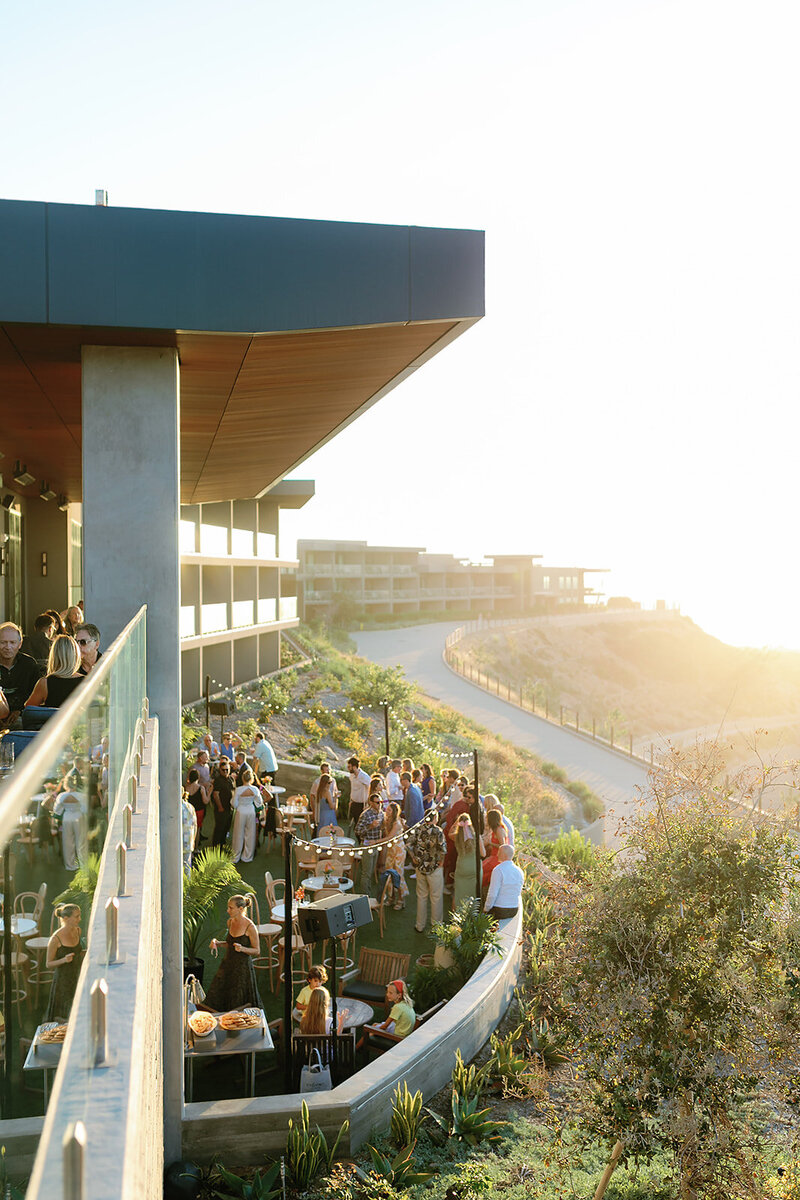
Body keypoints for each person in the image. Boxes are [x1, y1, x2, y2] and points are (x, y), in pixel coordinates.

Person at [203, 895, 260, 1011]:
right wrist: (218, 943)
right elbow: (231, 944)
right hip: (227, 964)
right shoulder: (230, 922)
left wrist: (243, 949)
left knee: (238, 1000)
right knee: (217, 995)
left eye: (231, 908)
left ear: (240, 909)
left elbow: (257, 950)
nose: (227, 911)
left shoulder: (250, 927)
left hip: (242, 969)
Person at [406, 808, 446, 932]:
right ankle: (436, 926)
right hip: (434, 868)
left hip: (420, 867)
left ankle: (419, 925)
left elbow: (408, 844)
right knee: (436, 897)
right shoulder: (438, 831)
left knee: (421, 897)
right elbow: (443, 849)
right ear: (435, 818)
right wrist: (441, 862)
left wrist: (413, 857)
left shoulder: (418, 829)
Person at [45, 904, 85, 1021]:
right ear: (66, 919)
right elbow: (48, 964)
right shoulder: (55, 939)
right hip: (63, 981)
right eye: (76, 917)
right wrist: (64, 960)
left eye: (79, 916)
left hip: (77, 975)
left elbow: (78, 951)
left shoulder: (78, 930)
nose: (80, 919)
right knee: (63, 1016)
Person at [25, 634, 84, 708]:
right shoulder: (87, 681)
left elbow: (29, 709)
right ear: (75, 655)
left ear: (53, 655)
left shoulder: (44, 683)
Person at [0, 622, 41, 725]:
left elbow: (38, 697)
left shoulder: (29, 665)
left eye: (12, 642)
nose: (8, 647)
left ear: (20, 644)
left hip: (22, 718)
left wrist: (21, 711)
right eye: (3, 642)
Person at [449, 811, 484, 909]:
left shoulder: (456, 836)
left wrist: (457, 822)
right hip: (474, 868)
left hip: (461, 868)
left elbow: (449, 832)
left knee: (458, 894)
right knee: (473, 894)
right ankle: (472, 916)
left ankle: (455, 917)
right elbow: (483, 853)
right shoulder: (477, 836)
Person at [380, 801, 409, 909]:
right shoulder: (387, 821)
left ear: (393, 812)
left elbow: (389, 837)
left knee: (398, 874)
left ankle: (401, 900)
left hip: (399, 850)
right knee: (389, 874)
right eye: (386, 809)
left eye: (389, 810)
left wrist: (376, 841)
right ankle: (391, 898)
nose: (386, 811)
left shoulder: (397, 823)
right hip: (391, 850)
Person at [355, 790, 384, 896]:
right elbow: (357, 831)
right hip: (367, 845)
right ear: (371, 803)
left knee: (371, 871)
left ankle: (368, 892)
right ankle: (365, 896)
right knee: (366, 873)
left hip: (376, 845)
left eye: (381, 802)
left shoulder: (381, 813)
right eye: (377, 802)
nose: (379, 804)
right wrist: (370, 826)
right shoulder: (365, 815)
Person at [230, 767, 262, 863]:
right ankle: (247, 857)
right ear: (251, 779)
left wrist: (238, 806)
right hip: (251, 811)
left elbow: (234, 803)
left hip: (241, 811)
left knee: (238, 834)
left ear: (243, 778)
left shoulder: (238, 790)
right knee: (250, 834)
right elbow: (259, 802)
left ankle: (236, 857)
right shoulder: (255, 789)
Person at [484, 844, 524, 919]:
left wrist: (486, 909)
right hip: (514, 910)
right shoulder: (519, 871)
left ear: (504, 855)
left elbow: (492, 894)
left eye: (499, 852)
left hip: (500, 910)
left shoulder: (498, 870)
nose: (497, 854)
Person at [52, 787, 86, 870]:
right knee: (80, 841)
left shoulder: (61, 796)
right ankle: (83, 863)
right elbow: (85, 809)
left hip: (67, 817)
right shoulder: (81, 795)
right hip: (78, 816)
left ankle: (70, 865)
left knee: (68, 842)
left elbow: (56, 810)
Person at [482, 809, 509, 889]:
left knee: (482, 871)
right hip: (493, 856)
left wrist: (490, 843)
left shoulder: (499, 830)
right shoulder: (495, 829)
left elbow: (503, 845)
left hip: (497, 858)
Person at [211, 758, 235, 848]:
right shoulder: (218, 780)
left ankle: (222, 844)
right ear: (220, 770)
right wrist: (220, 807)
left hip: (230, 808)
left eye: (227, 770)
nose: (225, 771)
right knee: (219, 828)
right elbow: (215, 795)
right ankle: (215, 847)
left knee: (226, 827)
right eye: (223, 770)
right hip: (221, 809)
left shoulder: (231, 779)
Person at [185, 769, 209, 841]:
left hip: (188, 810)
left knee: (189, 829)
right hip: (199, 811)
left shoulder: (186, 788)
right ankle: (195, 847)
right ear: (198, 777)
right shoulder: (201, 788)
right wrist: (209, 793)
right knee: (197, 830)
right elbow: (205, 801)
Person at [346, 756, 370, 828]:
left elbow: (370, 788)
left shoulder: (364, 776)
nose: (348, 768)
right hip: (354, 803)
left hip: (362, 805)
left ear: (354, 767)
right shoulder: (351, 776)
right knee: (354, 824)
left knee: (360, 825)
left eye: (349, 767)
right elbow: (352, 789)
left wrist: (367, 804)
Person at [181, 790, 198, 875]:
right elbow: (195, 825)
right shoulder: (190, 807)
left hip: (178, 842)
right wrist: (193, 840)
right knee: (187, 867)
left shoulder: (175, 808)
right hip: (188, 841)